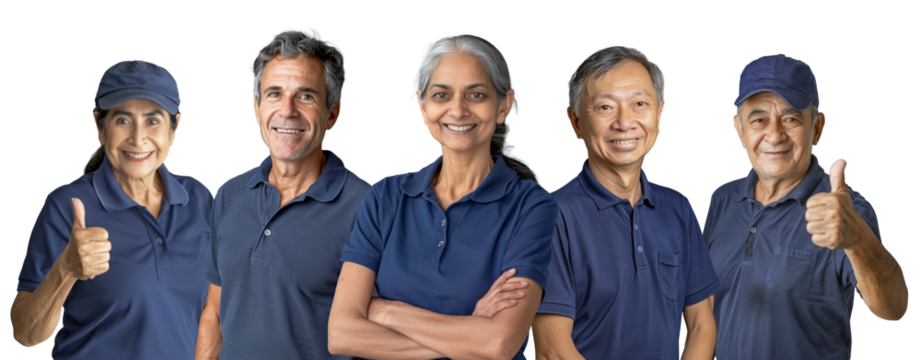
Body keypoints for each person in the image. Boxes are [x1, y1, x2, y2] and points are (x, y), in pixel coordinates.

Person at [327, 31, 557, 360]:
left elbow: (498, 344)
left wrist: (384, 311)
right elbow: (341, 334)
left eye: (476, 95)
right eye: (441, 95)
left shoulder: (531, 206)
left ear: (503, 105)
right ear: (423, 106)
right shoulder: (386, 195)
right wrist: (470, 332)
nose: (457, 110)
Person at [704, 53, 909, 359]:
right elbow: (708, 303)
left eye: (791, 119)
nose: (774, 135)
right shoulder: (722, 198)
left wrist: (858, 240)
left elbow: (893, 308)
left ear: (817, 128)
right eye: (759, 120)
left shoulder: (844, 210)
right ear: (739, 128)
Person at [10, 58, 211, 359]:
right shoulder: (66, 206)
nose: (138, 138)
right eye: (123, 120)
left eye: (153, 120)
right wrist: (65, 270)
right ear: (100, 126)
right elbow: (26, 335)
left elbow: (213, 310)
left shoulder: (198, 198)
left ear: (174, 128)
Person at [530, 44, 719, 360]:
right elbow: (553, 350)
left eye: (639, 104)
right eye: (605, 107)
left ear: (659, 113)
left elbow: (702, 324)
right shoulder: (549, 217)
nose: (624, 122)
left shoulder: (678, 209)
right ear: (576, 122)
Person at [193, 25, 370, 360]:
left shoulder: (367, 208)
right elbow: (214, 313)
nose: (287, 110)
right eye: (274, 94)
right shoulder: (230, 193)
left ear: (332, 114)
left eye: (306, 96)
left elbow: (381, 330)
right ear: (257, 107)